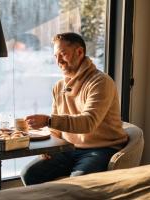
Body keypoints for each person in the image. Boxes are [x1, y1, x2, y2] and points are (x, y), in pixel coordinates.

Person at [21, 32, 128, 186]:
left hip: (102, 148)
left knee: (77, 184)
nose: (58, 61)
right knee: (29, 174)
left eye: (63, 54)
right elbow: (56, 129)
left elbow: (88, 123)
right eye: (55, 56)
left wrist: (48, 121)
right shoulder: (59, 86)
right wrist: (50, 146)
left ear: (79, 52)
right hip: (68, 148)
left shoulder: (100, 82)